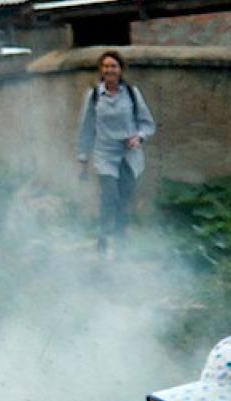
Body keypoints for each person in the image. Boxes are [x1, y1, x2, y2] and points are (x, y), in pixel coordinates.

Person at [76, 50, 155, 254]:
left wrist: (138, 137)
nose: (109, 70)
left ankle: (120, 243)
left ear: (120, 70)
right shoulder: (94, 96)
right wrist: (83, 158)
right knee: (109, 196)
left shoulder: (131, 93)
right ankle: (102, 240)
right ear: (101, 70)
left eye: (113, 66)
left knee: (124, 199)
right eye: (106, 66)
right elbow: (86, 128)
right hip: (105, 155)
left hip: (128, 155)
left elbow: (147, 123)